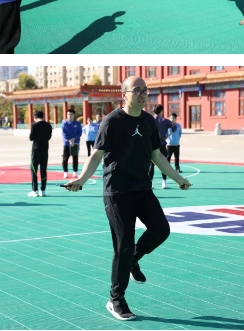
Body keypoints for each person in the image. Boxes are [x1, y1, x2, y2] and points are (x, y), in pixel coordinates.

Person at [65, 76, 191, 321]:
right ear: (124, 95)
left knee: (161, 230)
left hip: (142, 188)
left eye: (145, 90)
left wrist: (178, 178)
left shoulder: (148, 121)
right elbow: (96, 155)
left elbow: (157, 156)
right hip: (117, 191)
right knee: (122, 245)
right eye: (137, 90)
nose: (143, 94)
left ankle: (134, 258)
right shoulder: (111, 121)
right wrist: (81, 179)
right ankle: (116, 299)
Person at [149, 104, 177, 189]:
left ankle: (150, 183)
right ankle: (164, 182)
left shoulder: (149, 119)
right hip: (161, 144)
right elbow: (174, 127)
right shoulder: (165, 121)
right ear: (162, 111)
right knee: (163, 164)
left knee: (151, 165)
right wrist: (168, 136)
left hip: (151, 145)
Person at [29, 110, 53, 197]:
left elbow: (31, 138)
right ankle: (43, 190)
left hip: (36, 150)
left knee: (34, 170)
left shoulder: (34, 125)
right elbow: (49, 136)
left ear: (35, 117)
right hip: (45, 150)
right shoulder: (48, 125)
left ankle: (34, 190)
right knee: (43, 170)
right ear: (43, 116)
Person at [62, 109, 82, 179]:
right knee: (65, 158)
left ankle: (75, 172)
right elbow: (64, 134)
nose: (69, 116)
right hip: (67, 144)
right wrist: (70, 140)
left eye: (71, 114)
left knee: (75, 158)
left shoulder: (78, 123)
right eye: (68, 114)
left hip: (75, 143)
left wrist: (74, 139)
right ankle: (65, 172)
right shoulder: (64, 123)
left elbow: (80, 133)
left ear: (74, 115)